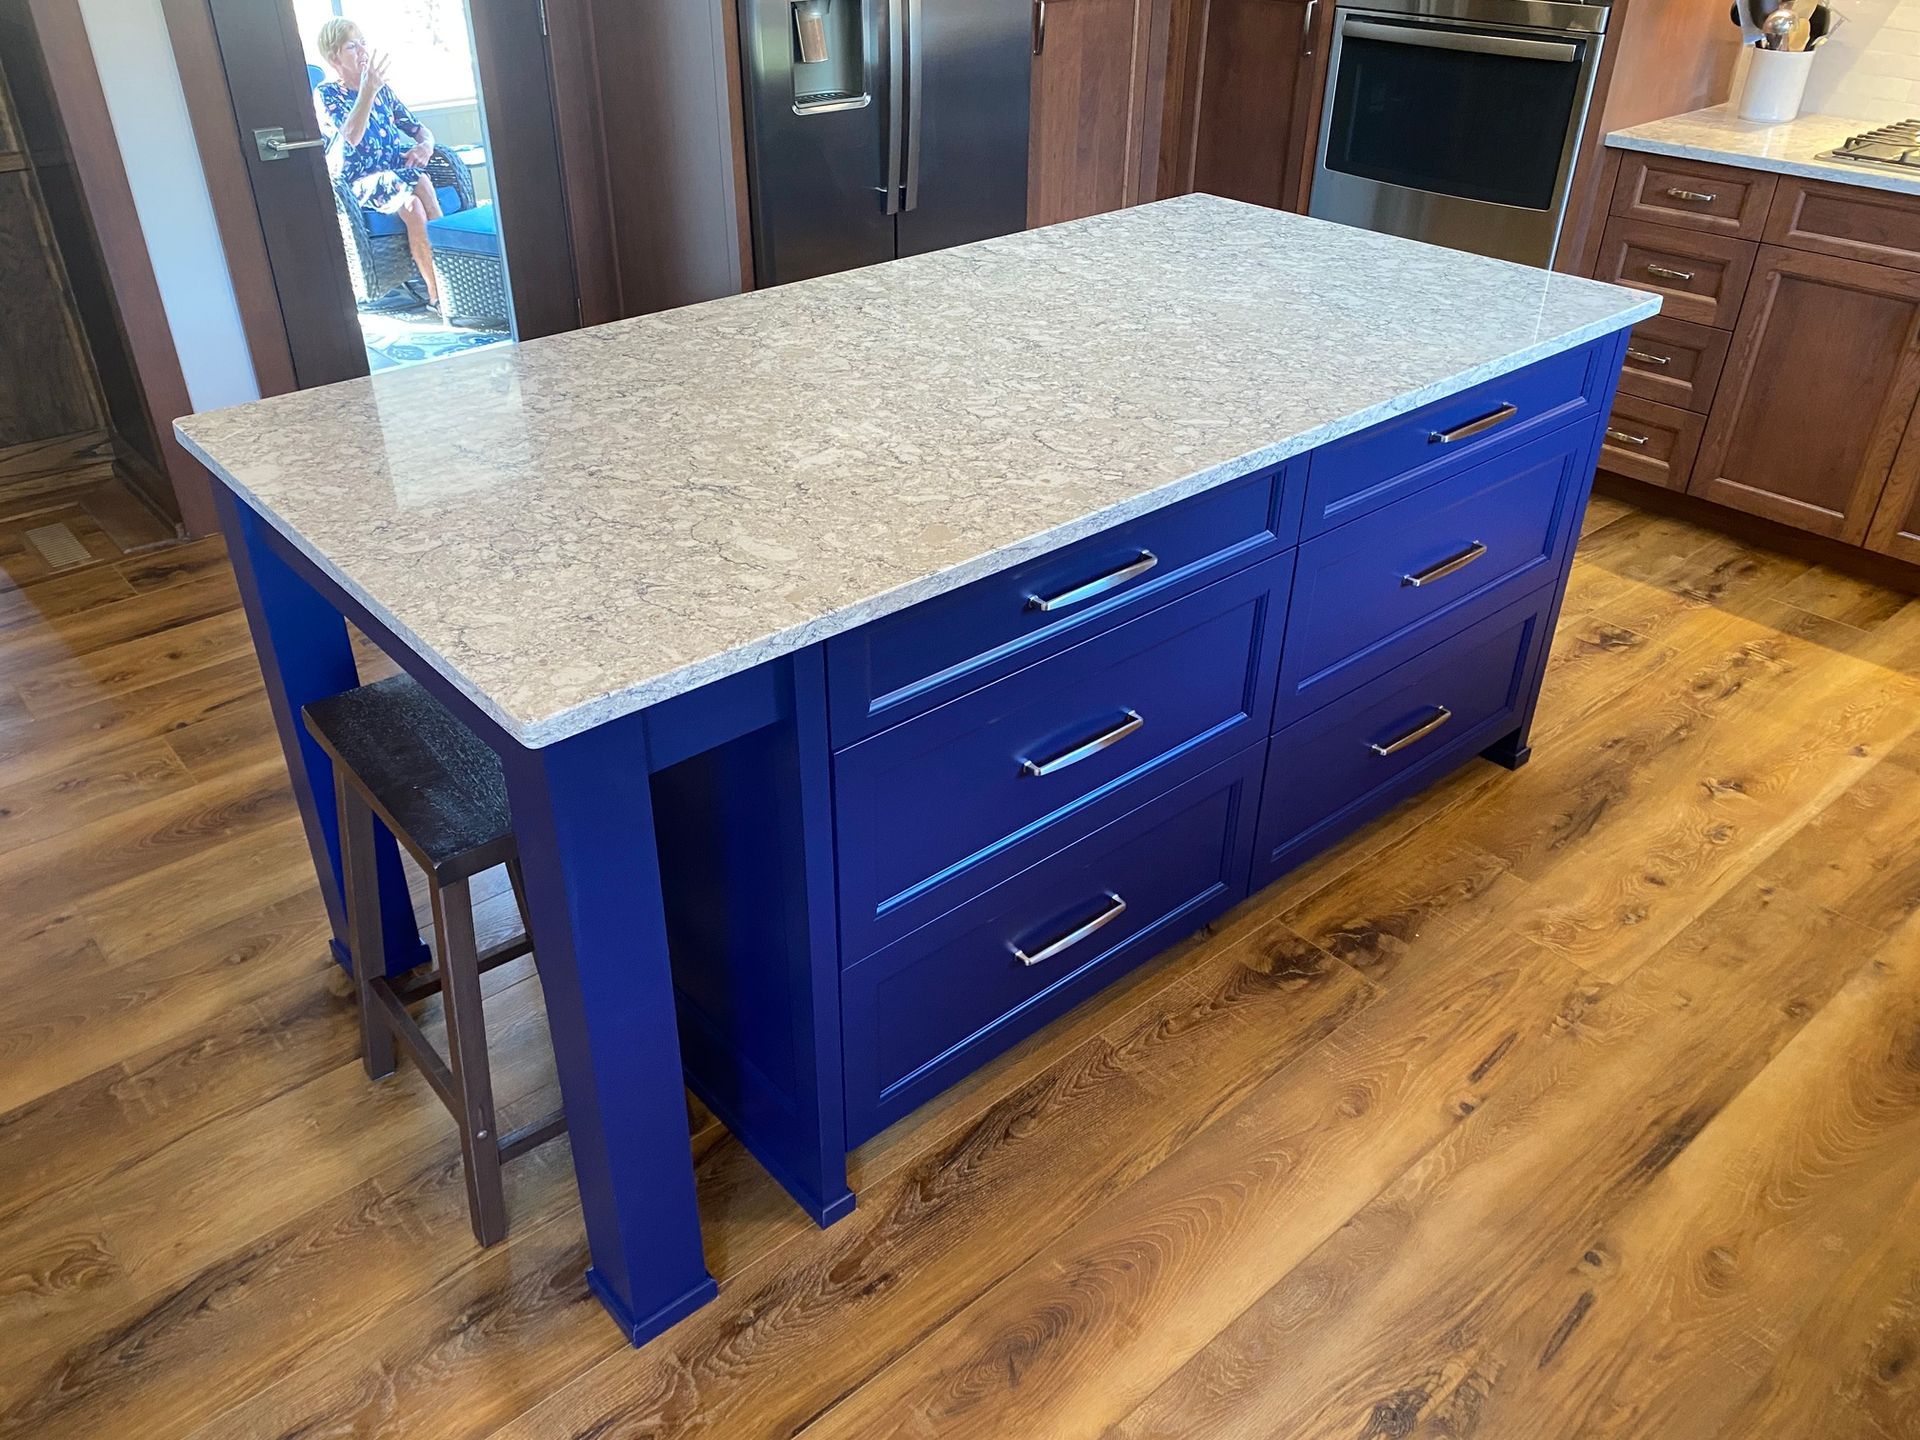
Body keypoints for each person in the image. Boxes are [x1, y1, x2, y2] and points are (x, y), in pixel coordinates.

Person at [313, 18, 444, 307]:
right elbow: (352, 136)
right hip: (357, 183)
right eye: (352, 46)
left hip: (392, 175)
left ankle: (443, 287)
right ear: (335, 58)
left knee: (416, 199)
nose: (362, 50)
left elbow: (418, 128)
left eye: (362, 43)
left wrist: (426, 145)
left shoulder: (381, 88)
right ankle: (447, 284)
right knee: (417, 190)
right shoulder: (326, 95)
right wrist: (367, 91)